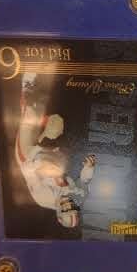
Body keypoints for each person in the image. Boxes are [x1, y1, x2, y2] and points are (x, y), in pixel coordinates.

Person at [16, 73, 96, 229]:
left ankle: (27, 84)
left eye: (64, 209)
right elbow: (84, 181)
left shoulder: (44, 198)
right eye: (72, 207)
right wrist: (89, 168)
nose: (67, 204)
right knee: (57, 123)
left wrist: (41, 164)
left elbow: (26, 170)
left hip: (29, 157)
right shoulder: (79, 197)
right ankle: (49, 88)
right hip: (52, 157)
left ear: (58, 216)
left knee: (30, 115)